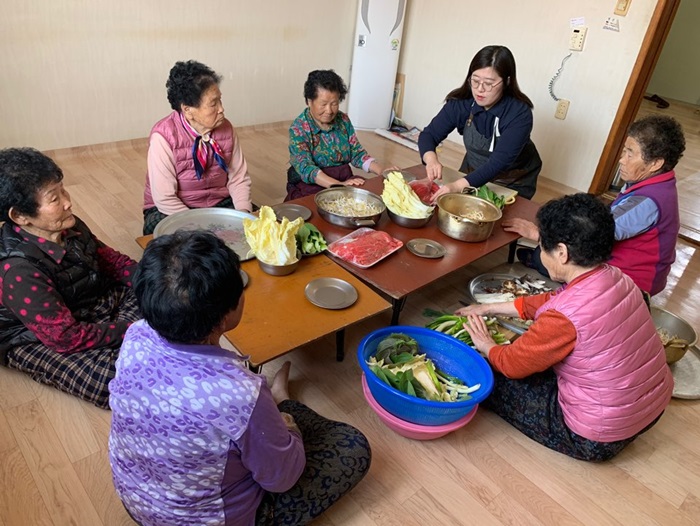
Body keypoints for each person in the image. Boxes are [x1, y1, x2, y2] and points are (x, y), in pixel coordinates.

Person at [109, 230, 371, 525]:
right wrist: (289, 424)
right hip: (204, 519)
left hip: (136, 499)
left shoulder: (135, 335)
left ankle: (279, 406)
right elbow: (281, 479)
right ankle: (285, 403)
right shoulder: (240, 395)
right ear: (225, 316)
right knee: (352, 445)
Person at [458, 194, 672, 462]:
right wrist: (488, 308)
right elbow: (554, 300)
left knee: (482, 372)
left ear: (562, 252)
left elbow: (511, 364)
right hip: (652, 407)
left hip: (598, 437)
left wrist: (486, 343)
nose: (541, 253)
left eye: (542, 247)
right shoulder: (618, 277)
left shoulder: (563, 318)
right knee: (545, 363)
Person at [0, 148, 140, 408]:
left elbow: (111, 261)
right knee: (115, 380)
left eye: (63, 190)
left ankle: (137, 339)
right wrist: (132, 330)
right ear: (20, 216)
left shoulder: (67, 223)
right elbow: (65, 337)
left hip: (87, 302)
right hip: (38, 335)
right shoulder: (19, 271)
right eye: (54, 198)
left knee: (162, 298)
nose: (68, 202)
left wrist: (154, 282)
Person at [508, 115, 685, 296]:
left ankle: (544, 264)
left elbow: (591, 237)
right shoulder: (656, 184)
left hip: (630, 282)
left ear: (655, 163)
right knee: (549, 250)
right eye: (624, 151)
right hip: (630, 270)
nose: (622, 160)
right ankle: (542, 260)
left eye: (630, 154)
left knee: (549, 255)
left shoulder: (648, 202)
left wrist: (536, 234)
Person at [418, 45, 542, 201]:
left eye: (489, 83)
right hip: (473, 170)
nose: (479, 90)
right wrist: (431, 160)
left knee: (501, 219)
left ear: (507, 81)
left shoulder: (519, 113)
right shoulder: (462, 103)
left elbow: (498, 163)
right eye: (475, 81)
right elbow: (429, 135)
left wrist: (456, 186)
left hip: (512, 179)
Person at [143, 60, 252, 235]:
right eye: (213, 104)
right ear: (187, 110)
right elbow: (165, 198)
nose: (222, 109)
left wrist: (243, 215)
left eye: (220, 100)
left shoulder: (227, 129)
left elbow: (238, 178)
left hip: (219, 202)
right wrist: (199, 228)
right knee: (180, 250)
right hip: (174, 210)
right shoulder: (163, 137)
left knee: (261, 227)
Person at [285, 69, 392, 200]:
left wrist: (382, 171)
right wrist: (338, 185)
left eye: (334, 104)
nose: (329, 110)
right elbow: (306, 168)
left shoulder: (343, 120)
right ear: (309, 101)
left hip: (344, 179)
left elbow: (357, 153)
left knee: (370, 195)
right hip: (314, 185)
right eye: (323, 104)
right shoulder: (299, 128)